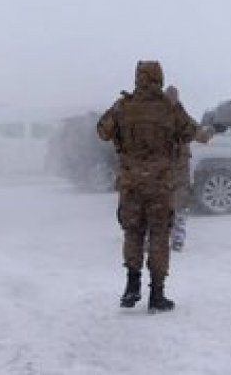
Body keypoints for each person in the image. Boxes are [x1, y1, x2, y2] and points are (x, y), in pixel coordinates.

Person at [97, 61, 211, 313]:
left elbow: (102, 132)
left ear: (138, 78)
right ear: (159, 78)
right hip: (160, 185)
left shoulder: (123, 106)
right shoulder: (169, 108)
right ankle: (157, 294)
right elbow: (194, 133)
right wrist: (209, 132)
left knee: (133, 233)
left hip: (131, 185)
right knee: (159, 236)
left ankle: (132, 285)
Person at [166, 85, 194, 252]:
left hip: (177, 170)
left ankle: (176, 239)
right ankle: (175, 239)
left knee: (178, 207)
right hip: (168, 170)